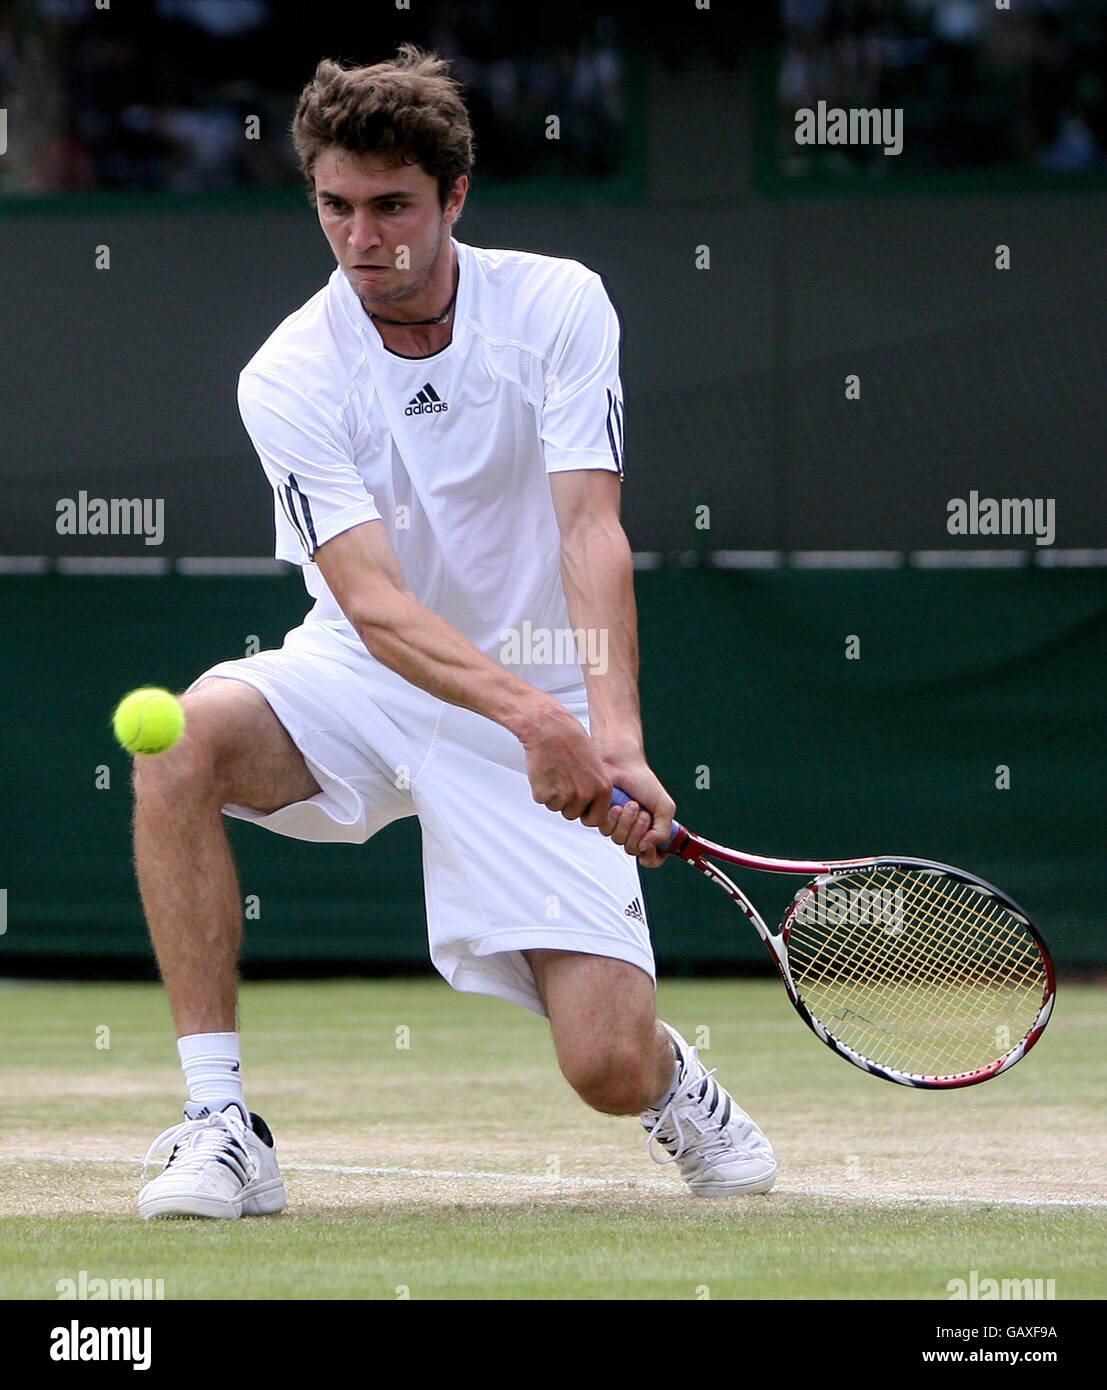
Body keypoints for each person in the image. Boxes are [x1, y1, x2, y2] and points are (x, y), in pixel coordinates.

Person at [135, 45, 777, 1219]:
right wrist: (535, 718)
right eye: (336, 206)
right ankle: (218, 1123)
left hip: (545, 686)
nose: (362, 237)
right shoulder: (286, 372)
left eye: (393, 207)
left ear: (455, 200)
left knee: (605, 1068)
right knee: (175, 742)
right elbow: (374, 603)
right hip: (362, 675)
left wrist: (612, 735)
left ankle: (673, 1083)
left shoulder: (558, 306)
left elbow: (590, 531)